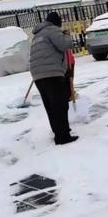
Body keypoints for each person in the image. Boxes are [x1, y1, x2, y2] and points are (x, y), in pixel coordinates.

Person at [30, 12, 78, 145]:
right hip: (51, 73)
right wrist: (66, 36)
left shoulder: (37, 35)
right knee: (60, 105)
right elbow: (65, 45)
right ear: (57, 22)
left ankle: (58, 132)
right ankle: (63, 137)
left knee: (51, 106)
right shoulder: (52, 30)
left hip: (38, 75)